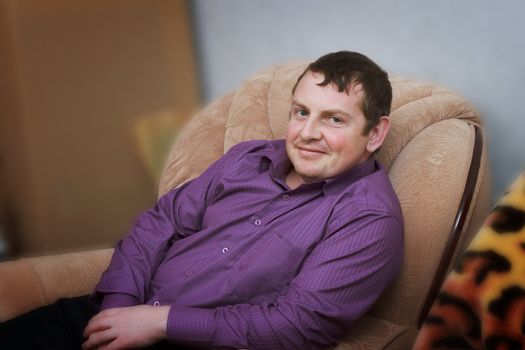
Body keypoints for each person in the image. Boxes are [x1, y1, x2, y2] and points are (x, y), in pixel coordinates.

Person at [0, 51, 404, 350]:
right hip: (112, 314)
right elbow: (161, 222)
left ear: (375, 134)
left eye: (334, 119)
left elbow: (294, 326)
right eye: (301, 112)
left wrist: (158, 322)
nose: (307, 133)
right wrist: (118, 310)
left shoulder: (368, 219)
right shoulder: (248, 158)